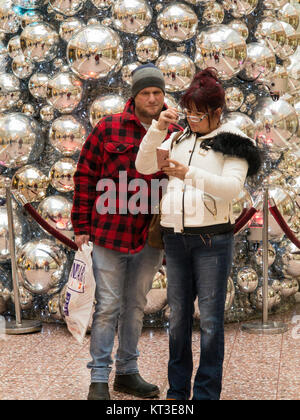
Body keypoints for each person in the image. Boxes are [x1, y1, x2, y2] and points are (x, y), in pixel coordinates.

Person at [135, 67, 262, 400]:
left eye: (199, 113)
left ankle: (206, 394)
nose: (191, 119)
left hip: (212, 242)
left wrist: (188, 173)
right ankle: (178, 393)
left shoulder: (233, 142)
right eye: (188, 111)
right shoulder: (178, 136)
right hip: (175, 239)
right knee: (177, 320)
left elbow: (232, 190)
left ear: (217, 112)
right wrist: (156, 130)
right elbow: (144, 166)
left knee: (209, 322)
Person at [71, 63, 181, 400]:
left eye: (157, 92)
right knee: (107, 306)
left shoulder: (174, 131)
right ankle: (99, 378)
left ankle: (128, 372)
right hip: (110, 231)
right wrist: (81, 225)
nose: (152, 98)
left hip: (150, 236)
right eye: (145, 93)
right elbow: (85, 175)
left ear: (164, 95)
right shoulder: (109, 127)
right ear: (133, 96)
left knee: (135, 305)